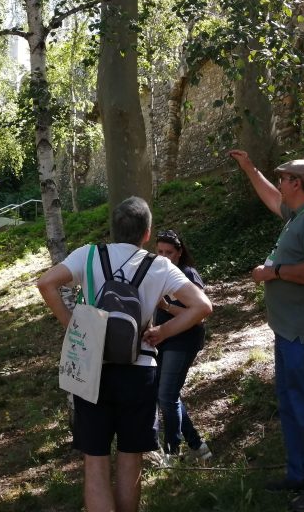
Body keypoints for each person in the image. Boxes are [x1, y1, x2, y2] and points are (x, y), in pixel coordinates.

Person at [36, 196, 213, 512]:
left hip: (93, 369)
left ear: (113, 229)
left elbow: (46, 283)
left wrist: (75, 327)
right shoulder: (158, 265)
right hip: (139, 368)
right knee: (131, 459)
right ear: (147, 234)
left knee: (95, 460)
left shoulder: (88, 255)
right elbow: (202, 306)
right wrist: (162, 333)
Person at [228, 150, 304, 512]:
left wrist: (273, 273)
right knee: (292, 405)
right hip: (290, 331)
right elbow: (272, 199)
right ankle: (300, 474)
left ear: (296, 183)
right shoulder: (298, 214)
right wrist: (250, 169)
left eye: (283, 178)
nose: (279, 183)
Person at [152, 229, 212, 463]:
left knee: (166, 395)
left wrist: (166, 307)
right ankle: (198, 446)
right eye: (160, 252)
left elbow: (200, 314)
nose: (164, 256)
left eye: (169, 252)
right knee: (165, 395)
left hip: (184, 340)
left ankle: (172, 452)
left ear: (179, 252)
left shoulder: (187, 274)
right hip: (162, 339)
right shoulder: (158, 274)